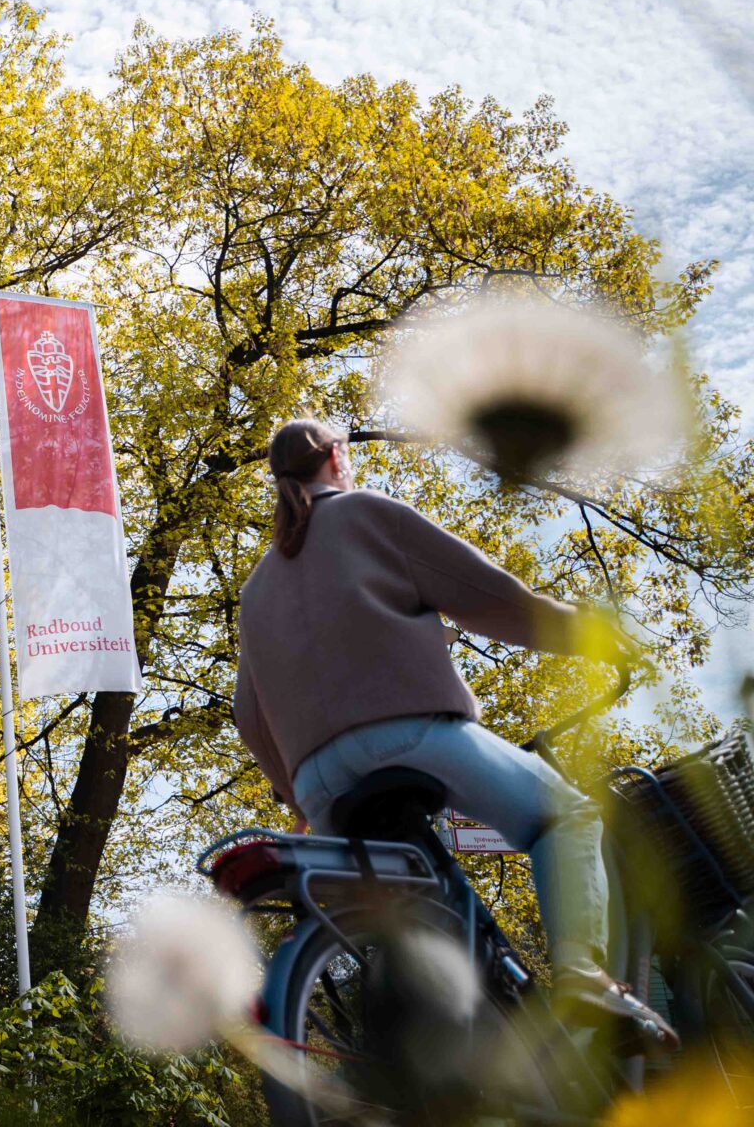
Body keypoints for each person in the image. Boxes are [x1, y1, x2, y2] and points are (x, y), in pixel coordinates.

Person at [232, 417, 677, 1049]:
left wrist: (294, 792)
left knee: (413, 931)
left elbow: (248, 715)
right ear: (336, 457)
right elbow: (487, 595)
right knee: (567, 816)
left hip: (317, 785)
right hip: (410, 738)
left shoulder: (257, 589)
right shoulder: (366, 515)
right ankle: (581, 975)